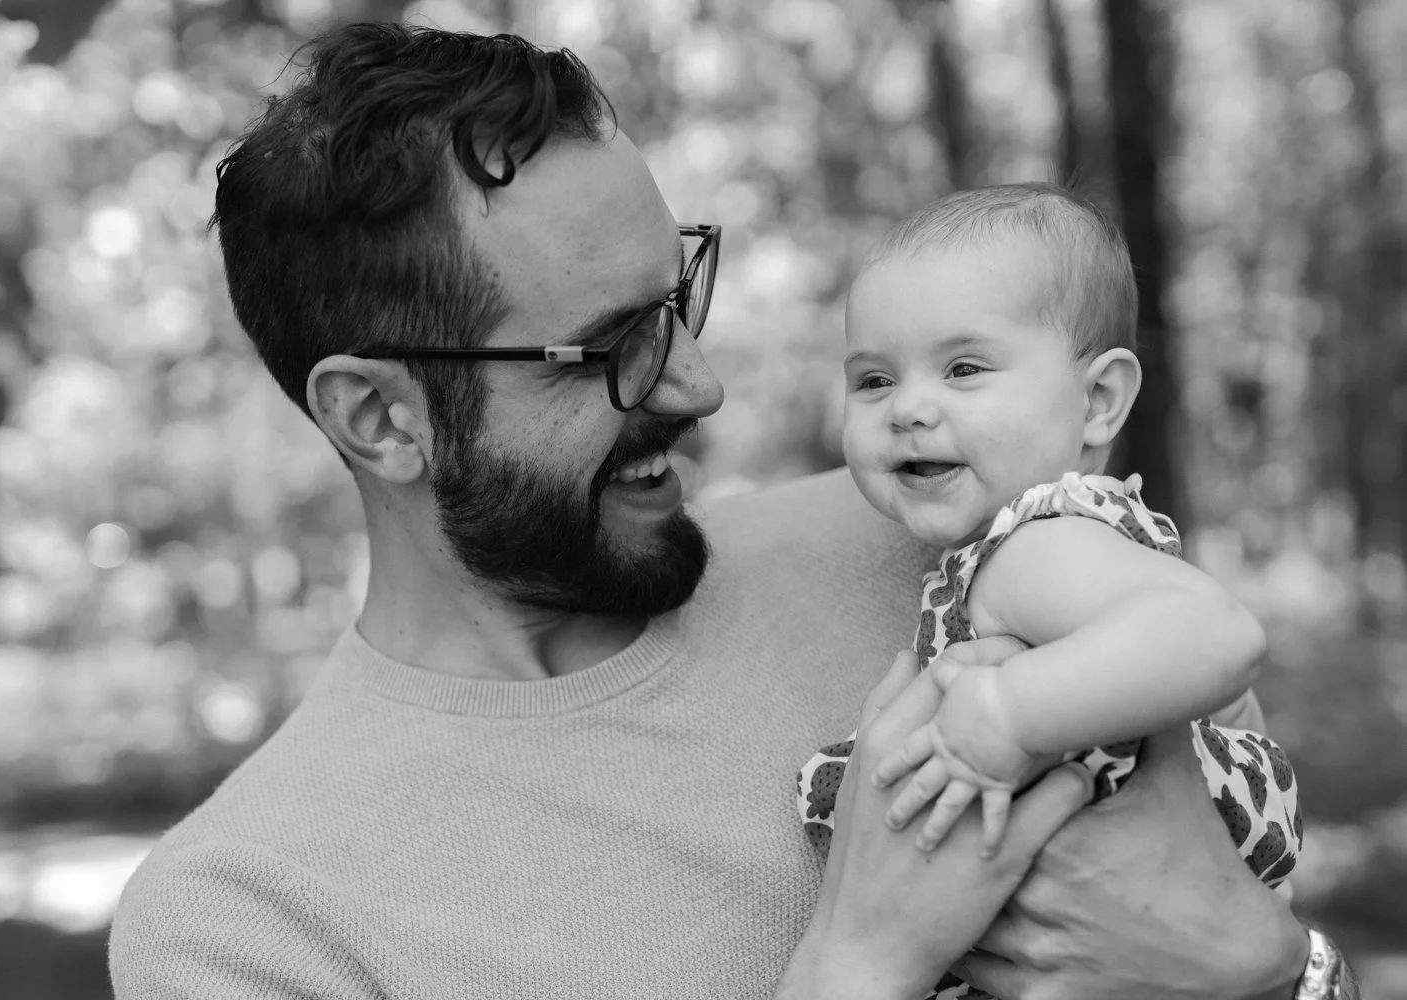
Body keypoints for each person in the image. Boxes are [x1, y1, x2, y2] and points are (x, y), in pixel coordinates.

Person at [108, 23, 1355, 1000]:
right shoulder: (244, 921)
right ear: (382, 417)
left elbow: (1262, 909)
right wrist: (862, 958)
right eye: (609, 345)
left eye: (678, 299)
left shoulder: (948, 546)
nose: (697, 385)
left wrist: (1271, 968)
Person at [794, 185, 1303, 1000]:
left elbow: (1218, 632)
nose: (909, 408)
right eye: (874, 380)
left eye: (964, 369)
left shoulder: (1036, 543)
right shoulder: (1023, 548)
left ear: (1098, 401)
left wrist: (1006, 716)